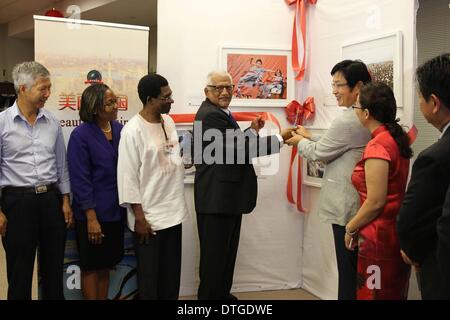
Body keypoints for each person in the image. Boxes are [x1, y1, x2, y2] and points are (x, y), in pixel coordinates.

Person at [194, 70, 294, 300]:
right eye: (218, 88)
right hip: (217, 199)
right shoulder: (211, 115)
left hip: (225, 198)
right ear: (207, 91)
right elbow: (239, 151)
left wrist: (252, 131)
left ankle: (221, 296)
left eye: (228, 87)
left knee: (225, 256)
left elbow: (232, 146)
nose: (225, 92)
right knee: (215, 259)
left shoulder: (218, 113)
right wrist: (280, 138)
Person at [286, 60, 372, 300]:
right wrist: (310, 138)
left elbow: (318, 153)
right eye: (332, 84)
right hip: (359, 203)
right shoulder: (366, 114)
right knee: (356, 273)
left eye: (338, 85)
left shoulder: (348, 119)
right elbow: (336, 147)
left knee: (348, 273)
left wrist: (299, 142)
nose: (333, 90)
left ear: (359, 86)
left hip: (347, 208)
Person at [0, 61, 72, 300]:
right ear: (22, 88)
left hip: (51, 201)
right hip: (17, 203)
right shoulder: (2, 123)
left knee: (54, 269)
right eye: (43, 88)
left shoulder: (51, 121)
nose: (48, 94)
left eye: (49, 87)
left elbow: (61, 164)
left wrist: (65, 199)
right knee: (20, 273)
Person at [117, 74, 188, 300]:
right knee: (150, 284)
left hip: (173, 213)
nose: (171, 100)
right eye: (166, 97)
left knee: (170, 280)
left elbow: (171, 156)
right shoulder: (132, 131)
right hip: (149, 219)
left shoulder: (169, 122)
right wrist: (139, 218)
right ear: (150, 99)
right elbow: (128, 178)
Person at [344, 82, 412, 299]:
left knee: (373, 294)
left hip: (377, 241)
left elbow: (375, 202)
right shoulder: (395, 139)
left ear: (366, 113)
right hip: (394, 234)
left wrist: (350, 227)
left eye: (356, 108)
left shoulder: (378, 146)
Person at [397, 53, 450, 299]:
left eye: (420, 97)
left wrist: (412, 250)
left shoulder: (434, 157)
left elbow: (413, 217)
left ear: (434, 102)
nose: (419, 103)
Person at [67, 83, 125, 300]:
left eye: (115, 100)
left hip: (115, 211)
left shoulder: (120, 130)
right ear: (94, 107)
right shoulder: (80, 135)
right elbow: (80, 179)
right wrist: (91, 217)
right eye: (109, 102)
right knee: (92, 266)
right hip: (92, 214)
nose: (115, 105)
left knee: (106, 265)